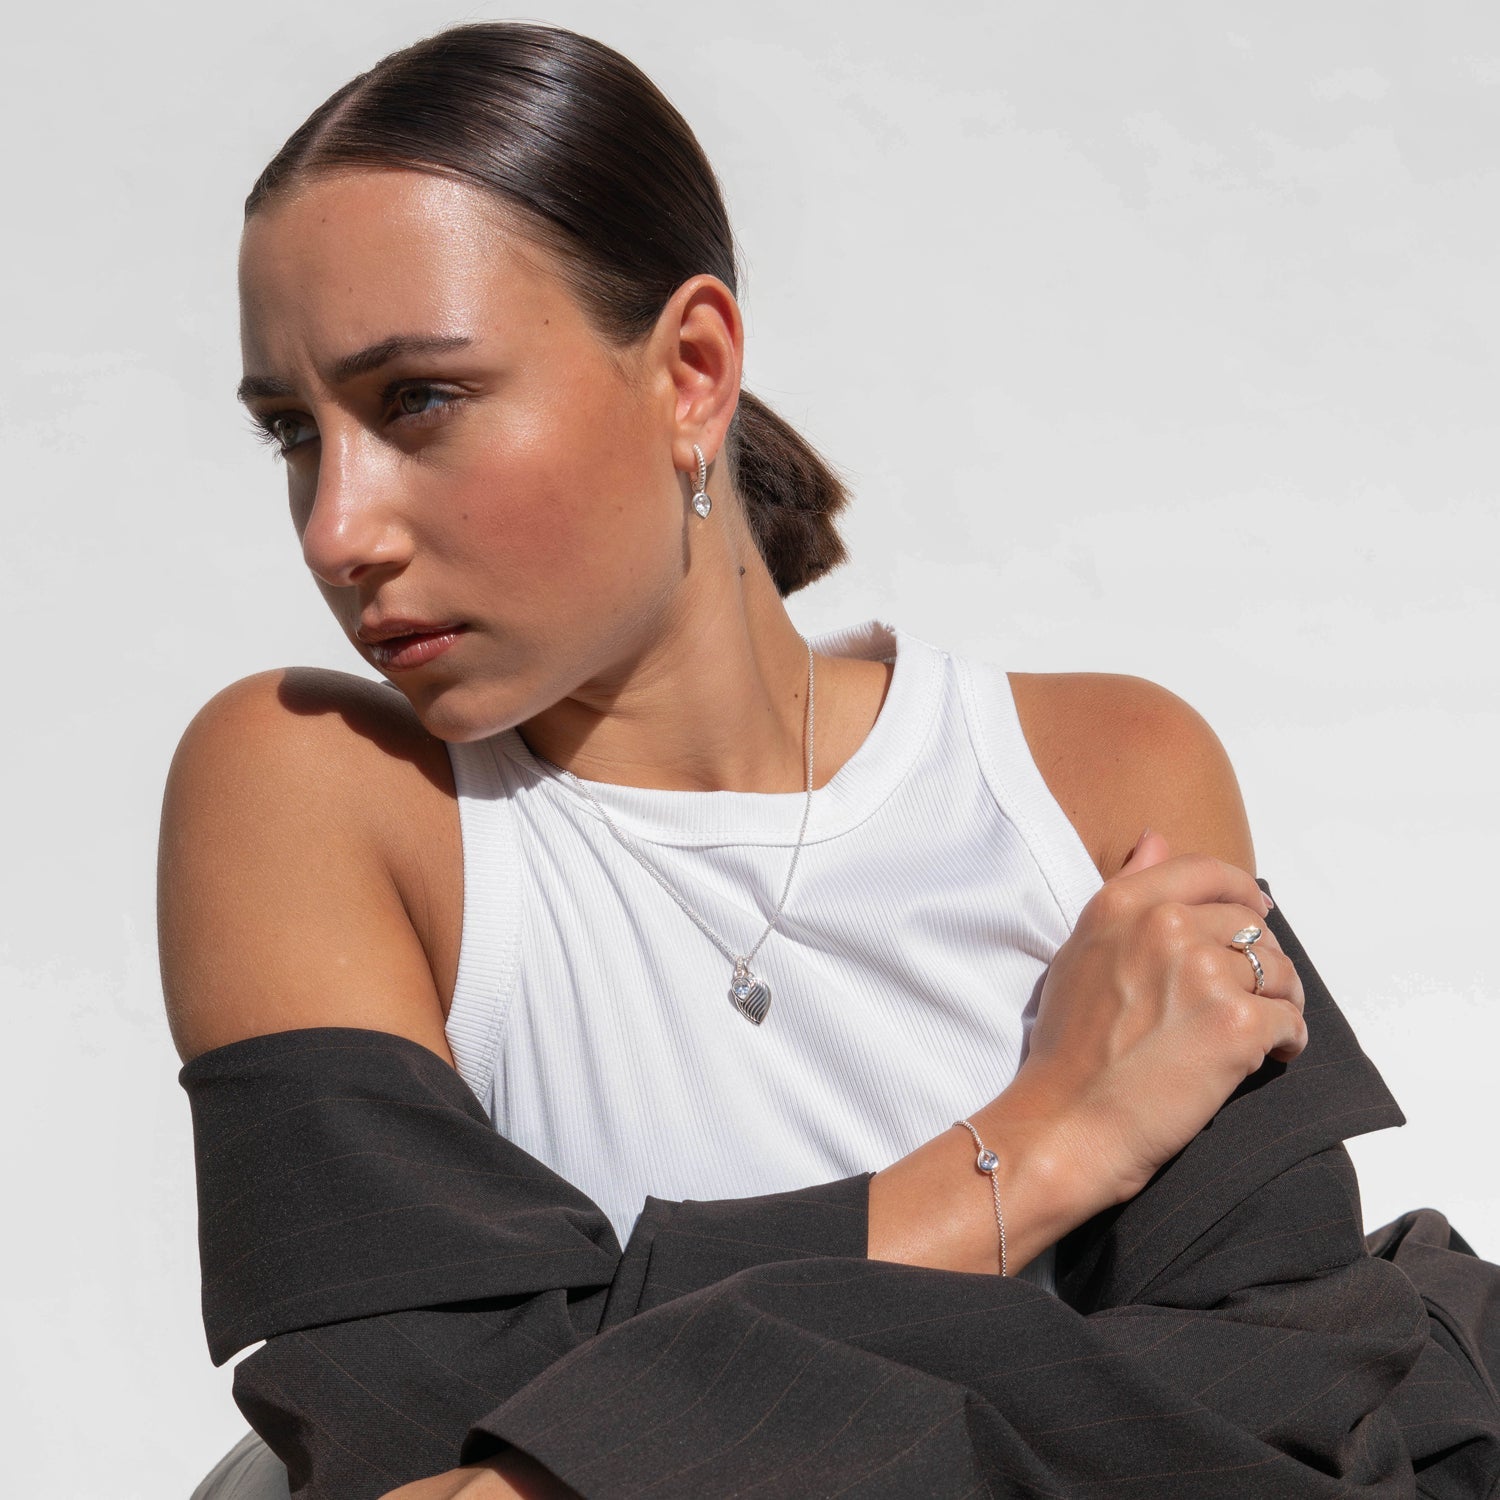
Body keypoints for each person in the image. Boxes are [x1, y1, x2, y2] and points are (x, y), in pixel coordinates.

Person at [162, 22, 1494, 1500]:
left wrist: (633, 1417)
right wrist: (1053, 1139)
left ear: (692, 370)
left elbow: (1269, 1418)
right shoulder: (320, 789)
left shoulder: (1095, 775)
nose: (337, 529)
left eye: (418, 399)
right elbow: (419, 1427)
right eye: (292, 434)